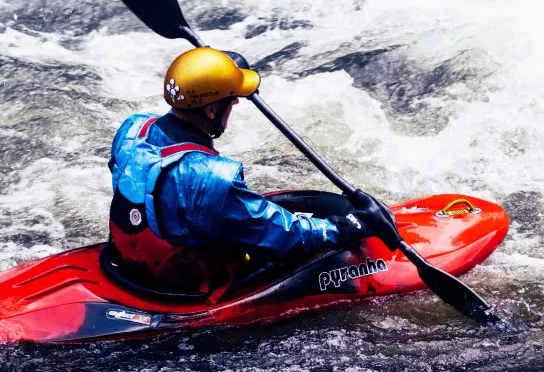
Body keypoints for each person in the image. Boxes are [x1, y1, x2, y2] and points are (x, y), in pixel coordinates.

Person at [107, 47, 382, 300]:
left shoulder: (133, 129)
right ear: (211, 109)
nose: (236, 104)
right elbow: (286, 235)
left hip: (131, 259)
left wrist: (224, 72)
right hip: (181, 281)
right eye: (231, 100)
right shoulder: (209, 177)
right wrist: (347, 227)